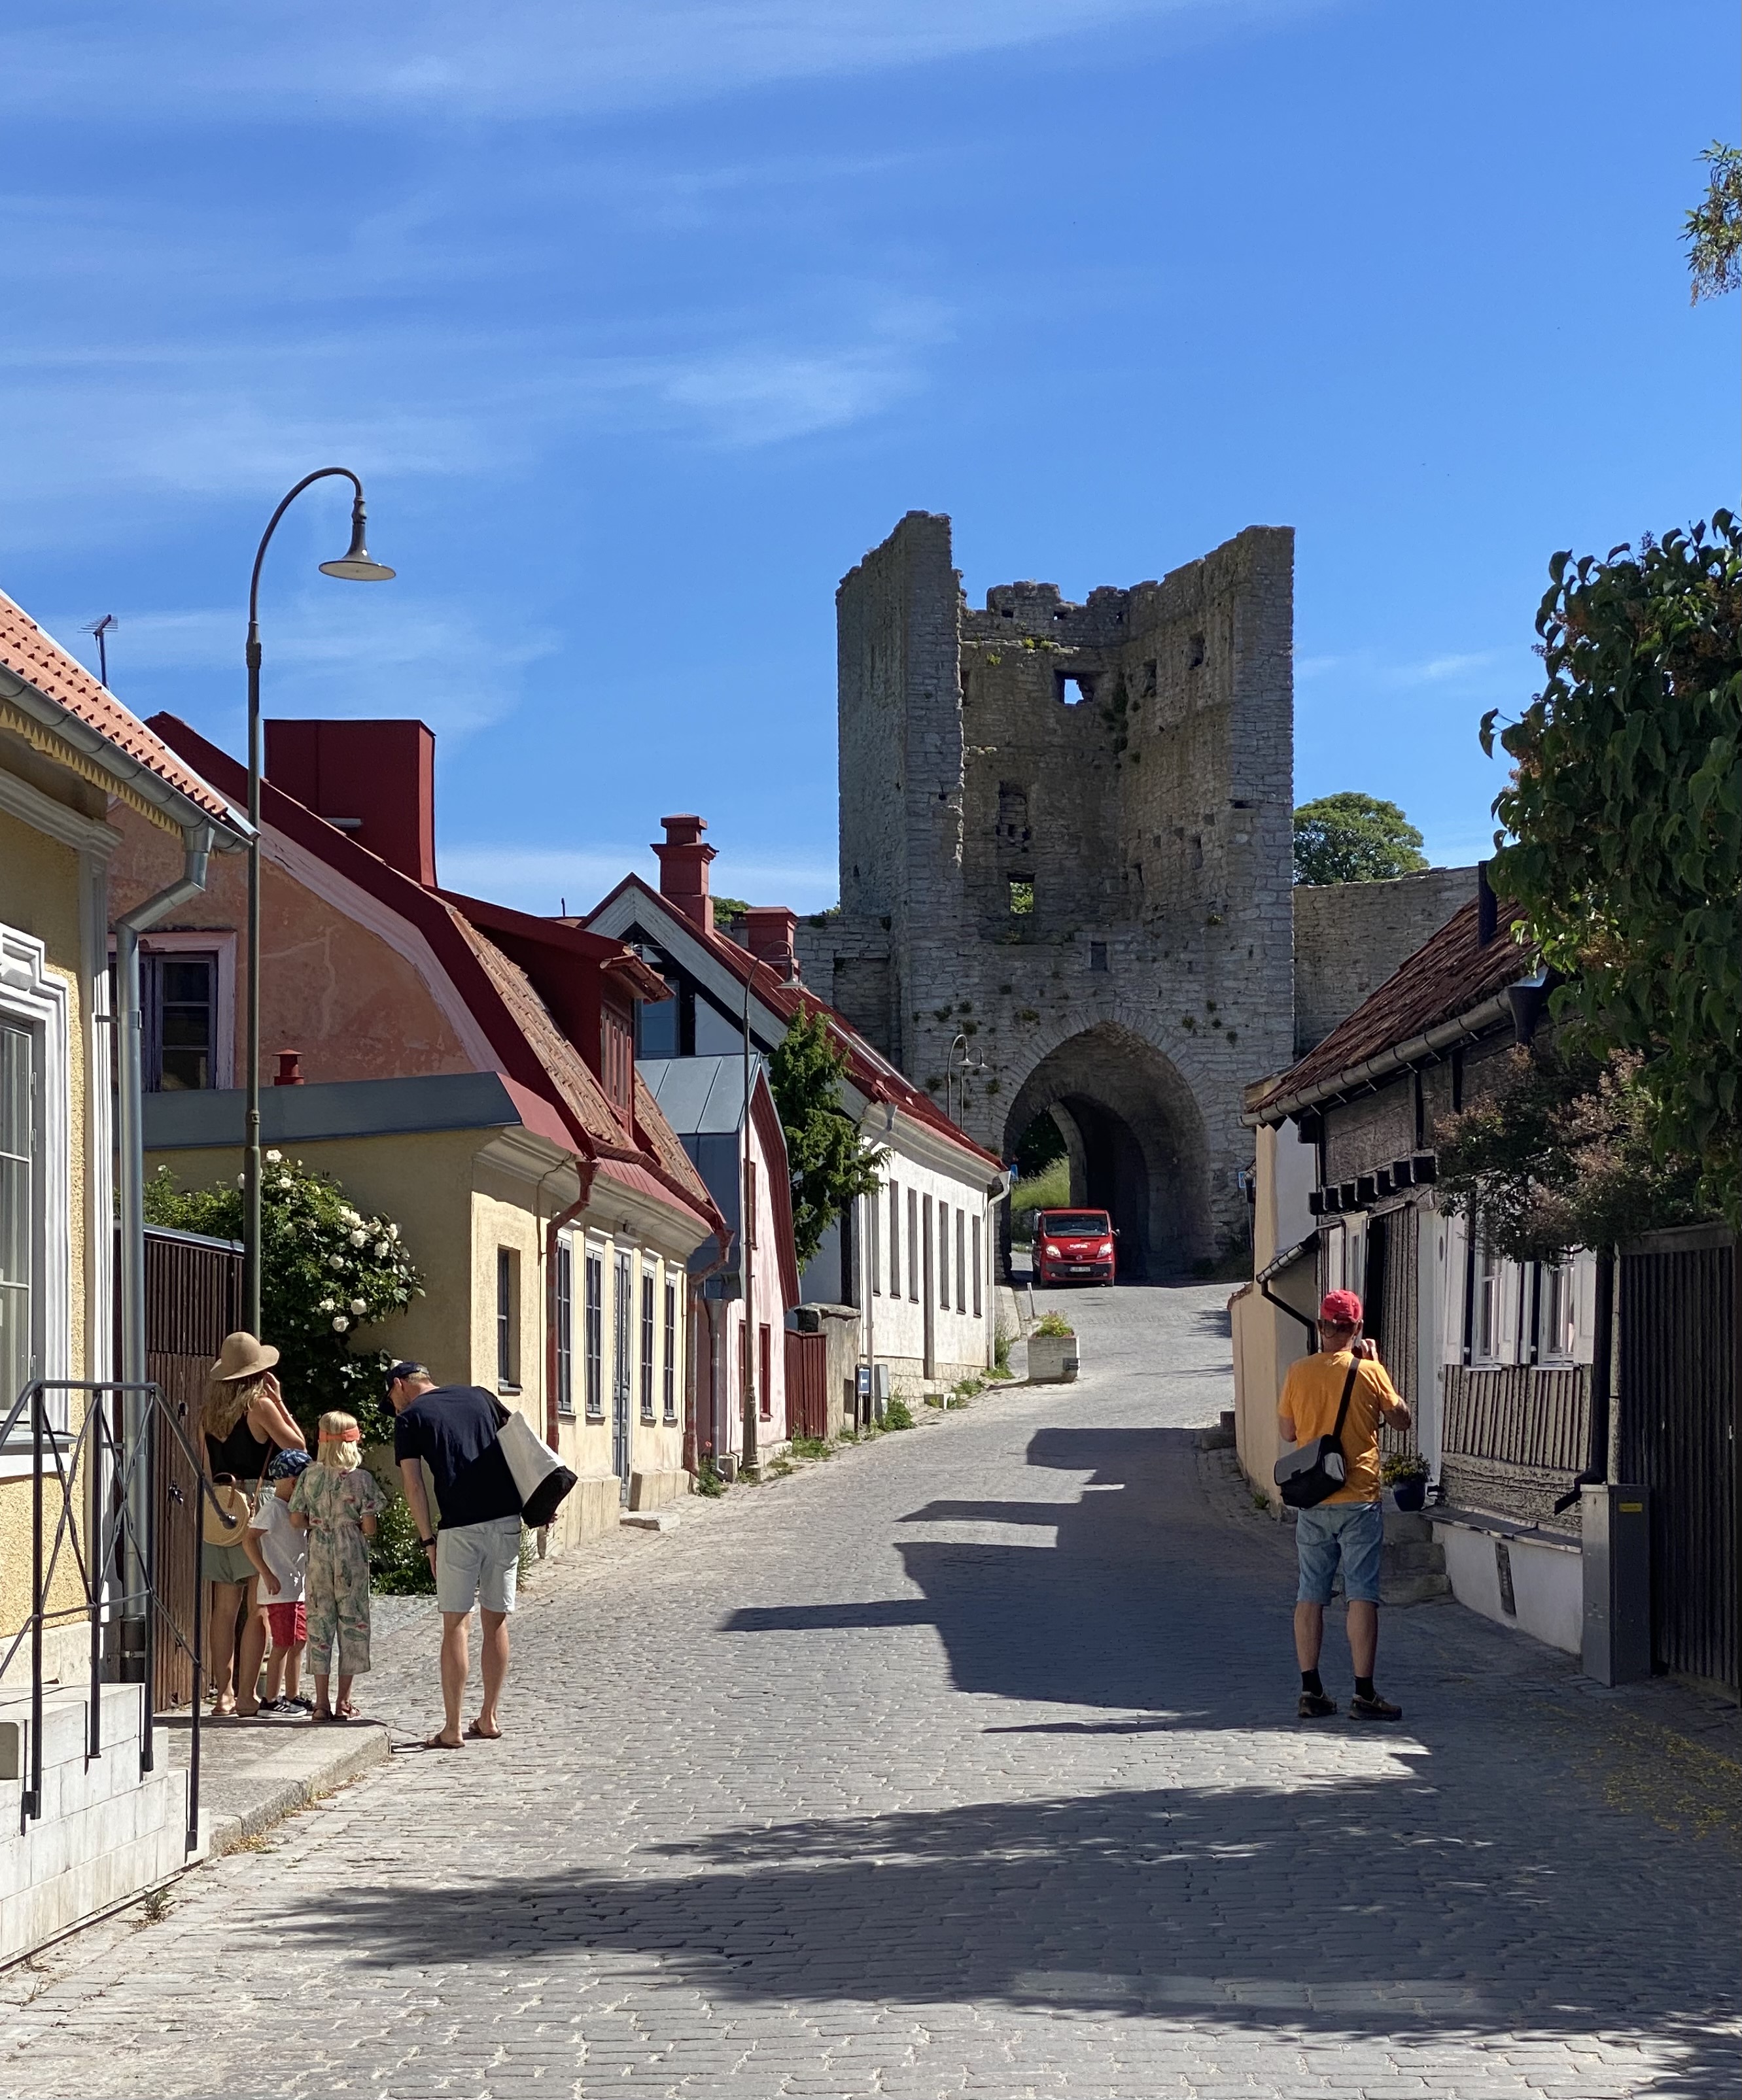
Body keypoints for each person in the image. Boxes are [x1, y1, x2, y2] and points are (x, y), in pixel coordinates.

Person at [1277, 1288, 1412, 1722]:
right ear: (1357, 1328)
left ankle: (1310, 1690)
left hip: (1314, 1497)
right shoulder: (1370, 1372)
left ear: (1321, 1326)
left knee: (1310, 1593)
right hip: (1359, 1497)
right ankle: (1364, 1693)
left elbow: (1287, 1432)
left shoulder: (1297, 1371)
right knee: (1361, 1594)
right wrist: (1376, 1365)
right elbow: (1402, 1420)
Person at [388, 1360, 523, 1751]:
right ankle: (489, 1717)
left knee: (456, 1625)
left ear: (399, 1385)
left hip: (459, 1526)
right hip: (505, 1518)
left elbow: (414, 1485)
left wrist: (427, 1541)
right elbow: (520, 1443)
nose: (393, 1407)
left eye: (391, 1398)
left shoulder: (410, 1418)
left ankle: (452, 1728)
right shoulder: (481, 1397)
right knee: (496, 1621)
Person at [200, 1332, 305, 1717]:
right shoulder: (260, 1406)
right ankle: (247, 1696)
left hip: (218, 1507)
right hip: (254, 1503)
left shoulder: (208, 1413)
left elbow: (207, 1467)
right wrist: (281, 1401)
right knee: (259, 1605)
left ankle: (223, 1695)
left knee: (223, 1607)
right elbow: (298, 1448)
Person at [288, 1412, 381, 1722]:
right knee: (353, 1621)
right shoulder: (361, 1479)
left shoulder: (309, 1476)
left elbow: (295, 1519)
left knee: (319, 1622)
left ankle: (320, 1703)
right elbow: (369, 1527)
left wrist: (318, 1523)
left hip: (318, 1550)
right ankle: (344, 1702)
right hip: (350, 1551)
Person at [244, 1449, 312, 1714]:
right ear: (295, 1483)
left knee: (298, 1641)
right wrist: (266, 1573)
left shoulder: (293, 1510)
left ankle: (292, 1695)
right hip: (281, 1588)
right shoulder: (273, 1509)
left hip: (296, 1588)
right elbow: (249, 1540)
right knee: (283, 1643)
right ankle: (271, 1700)